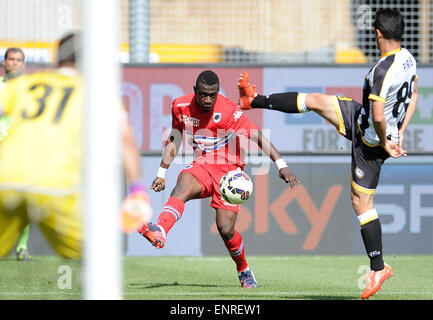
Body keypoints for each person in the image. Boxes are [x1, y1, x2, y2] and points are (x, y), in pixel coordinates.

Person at [237, 8, 417, 299]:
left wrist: (385, 140)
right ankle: (252, 100)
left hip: (370, 142)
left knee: (360, 202)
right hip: (363, 121)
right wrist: (401, 132)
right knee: (316, 100)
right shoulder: (408, 59)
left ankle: (378, 267)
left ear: (378, 34)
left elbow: (380, 115)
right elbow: (414, 94)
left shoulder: (381, 71)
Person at [138, 70, 300, 288]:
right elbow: (175, 137)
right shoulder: (180, 106)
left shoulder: (228, 111)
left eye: (212, 95)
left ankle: (243, 269)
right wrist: (161, 172)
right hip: (203, 164)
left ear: (217, 94)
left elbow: (257, 135)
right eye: (203, 94)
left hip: (229, 171)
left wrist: (281, 165)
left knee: (225, 229)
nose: (207, 100)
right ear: (195, 91)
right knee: (182, 185)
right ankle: (161, 231)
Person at [0, 32, 150, 260]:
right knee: (98, 261)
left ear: (56, 58)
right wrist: (137, 191)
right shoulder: (97, 92)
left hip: (6, 179)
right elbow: (125, 139)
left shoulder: (24, 84)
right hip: (55, 185)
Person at [0, 47, 32, 261]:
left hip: (21, 150)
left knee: (24, 199)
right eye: (11, 59)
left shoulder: (30, 89)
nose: (15, 63)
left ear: (24, 64)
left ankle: (22, 247)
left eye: (19, 60)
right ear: (4, 62)